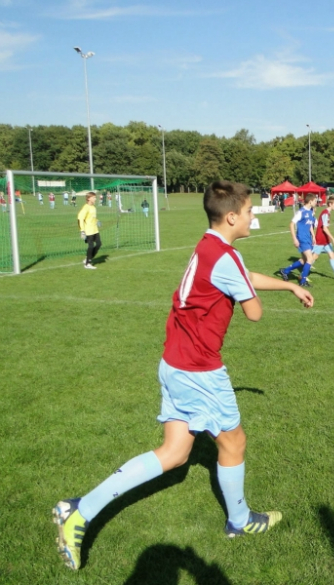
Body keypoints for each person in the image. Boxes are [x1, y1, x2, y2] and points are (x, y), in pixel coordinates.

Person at [52, 180, 314, 572]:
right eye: (248, 211)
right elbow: (253, 311)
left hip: (175, 361)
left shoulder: (212, 246)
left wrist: (288, 285)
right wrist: (254, 297)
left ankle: (78, 508)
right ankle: (239, 521)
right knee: (234, 442)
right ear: (231, 216)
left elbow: (246, 274)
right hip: (198, 369)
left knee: (174, 454)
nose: (253, 215)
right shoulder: (224, 258)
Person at [278, 194, 316, 287]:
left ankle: (285, 271)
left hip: (308, 238)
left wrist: (313, 236)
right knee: (310, 259)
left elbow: (310, 224)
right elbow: (291, 224)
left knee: (304, 260)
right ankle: (303, 281)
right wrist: (294, 238)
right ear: (310, 201)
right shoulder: (301, 212)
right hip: (302, 238)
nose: (316, 202)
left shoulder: (311, 212)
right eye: (315, 201)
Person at [77, 192, 101, 269]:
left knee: (98, 244)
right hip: (88, 230)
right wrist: (82, 231)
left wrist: (97, 221)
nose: (95, 199)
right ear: (89, 198)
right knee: (91, 246)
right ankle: (87, 264)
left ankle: (88, 258)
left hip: (95, 230)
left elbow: (92, 217)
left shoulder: (93, 207)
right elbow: (80, 218)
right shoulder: (86, 207)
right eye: (93, 197)